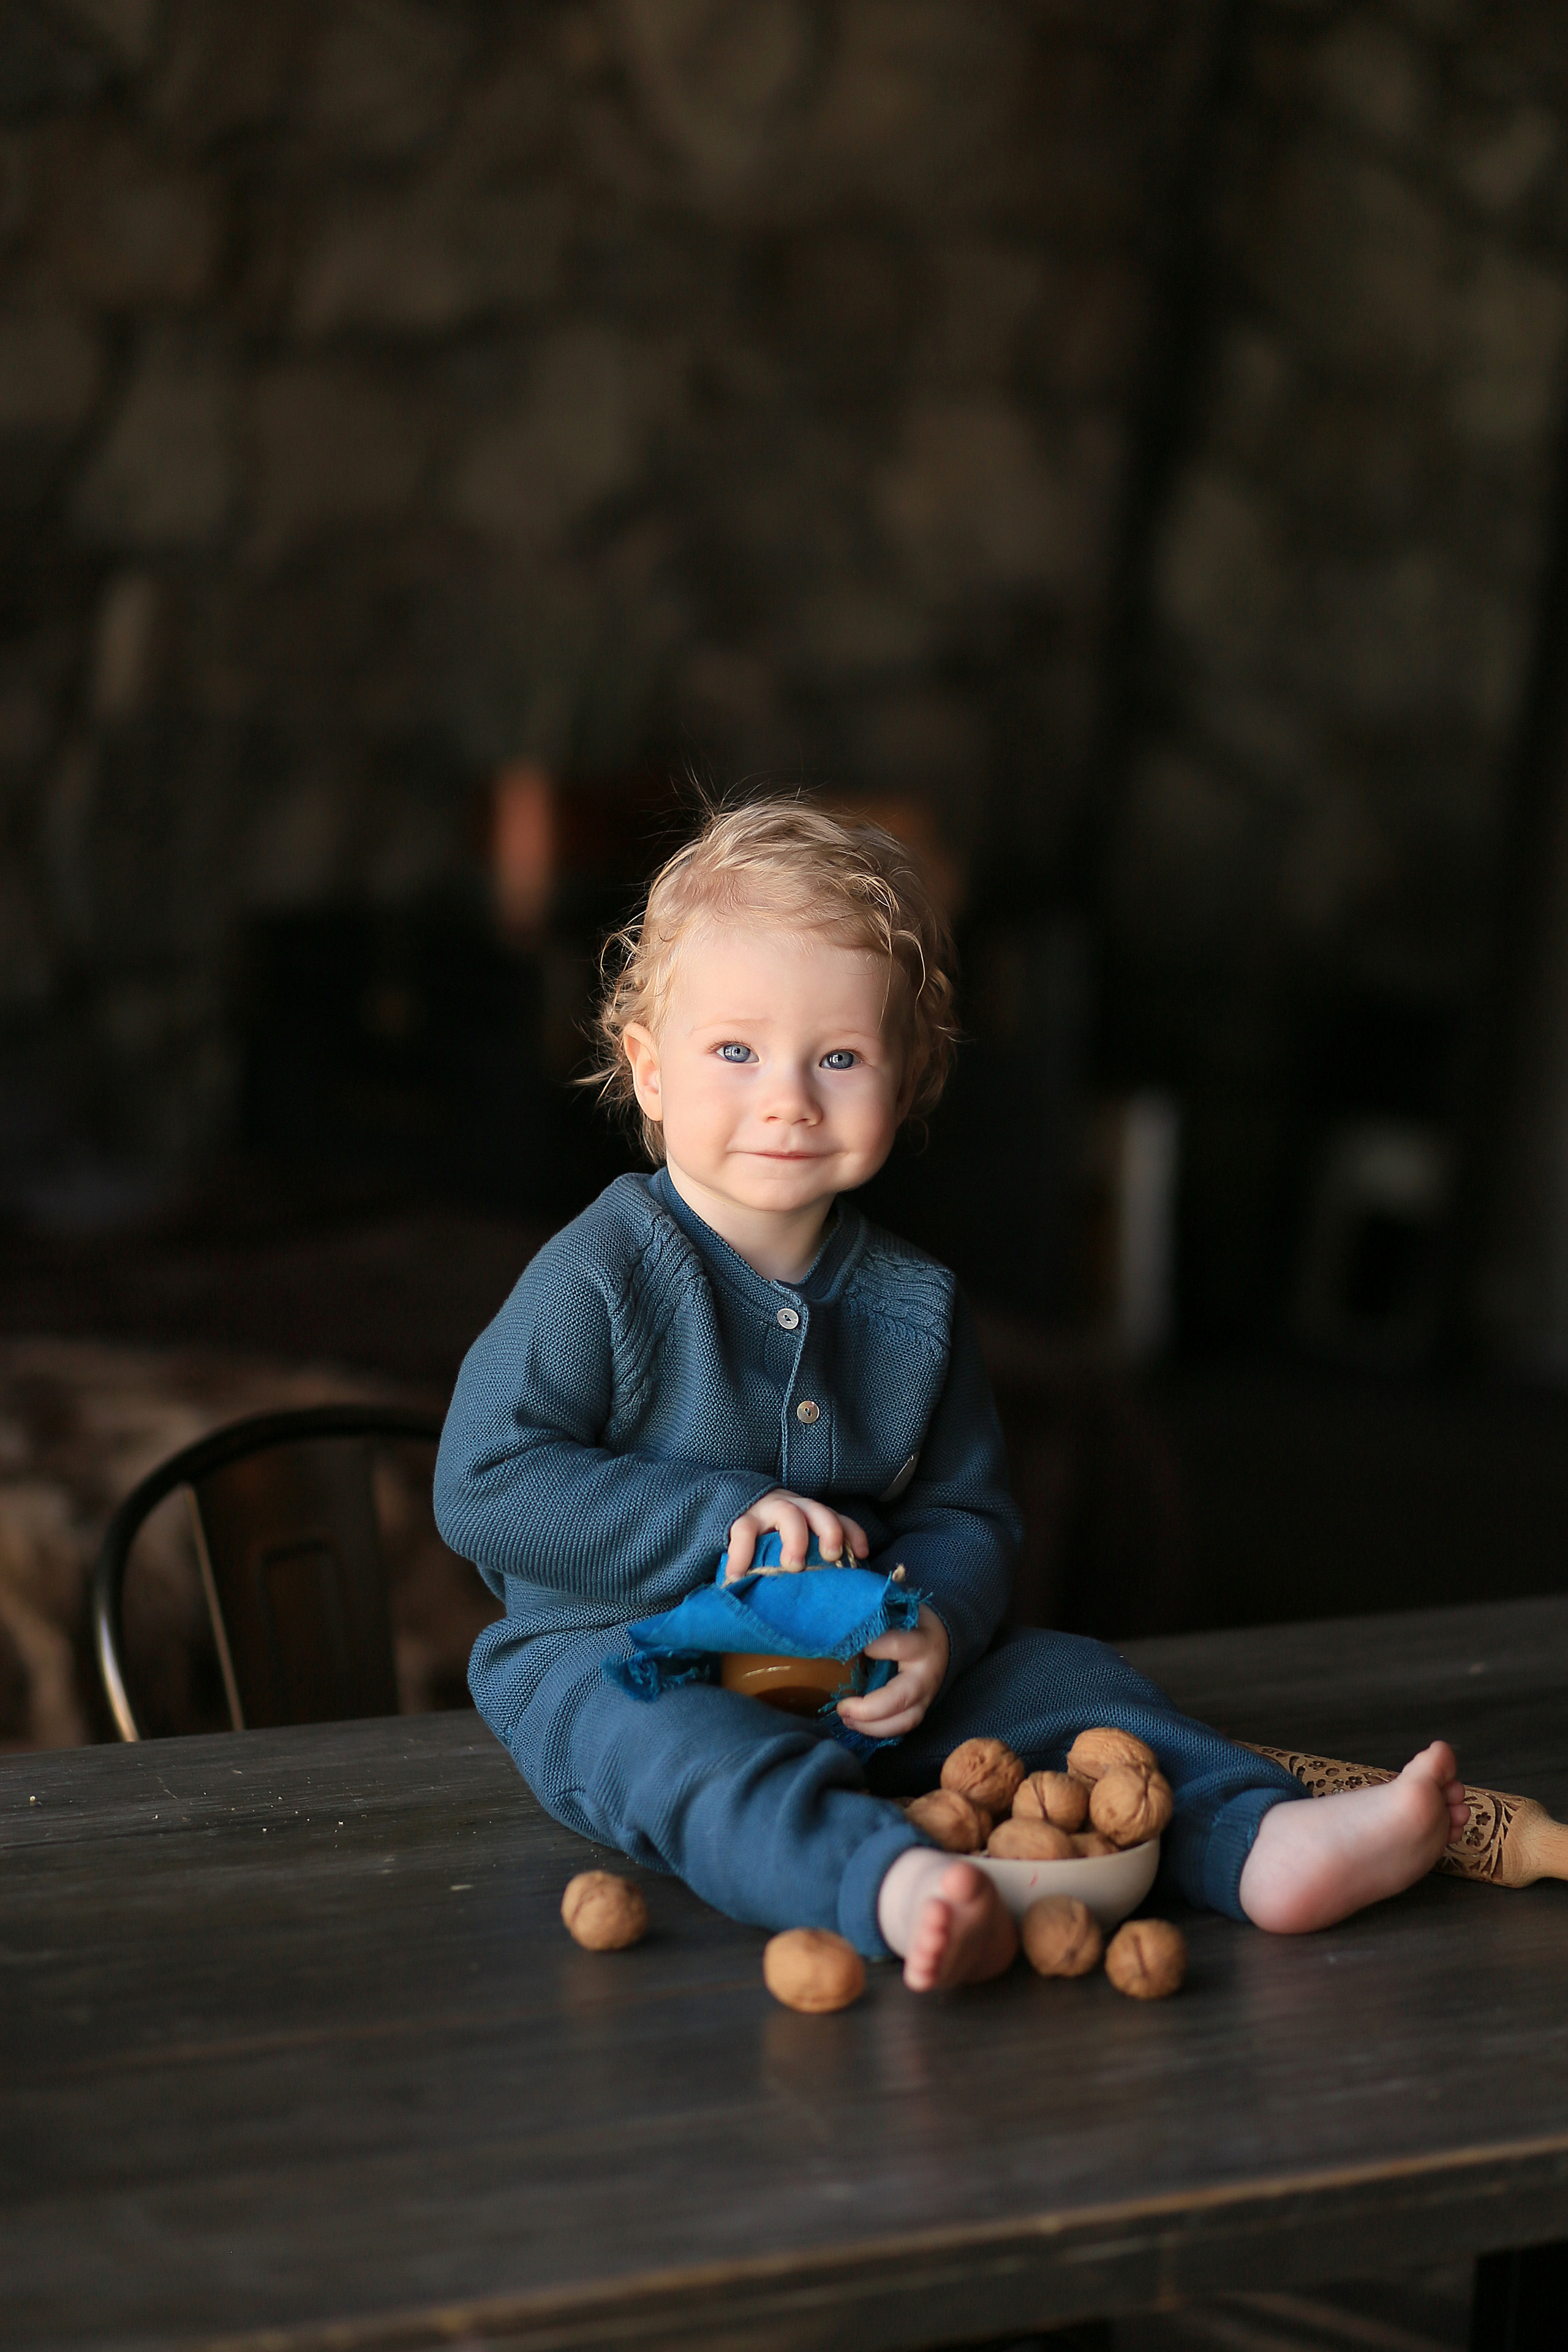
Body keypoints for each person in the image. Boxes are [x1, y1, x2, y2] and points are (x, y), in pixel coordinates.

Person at [434, 797, 1468, 1990]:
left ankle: (1257, 1842)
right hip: (618, 1659)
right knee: (682, 1752)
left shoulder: (914, 1306)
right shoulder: (600, 1274)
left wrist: (930, 1624)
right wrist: (716, 1521)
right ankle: (885, 1882)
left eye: (837, 1058)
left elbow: (967, 1518)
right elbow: (482, 1488)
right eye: (734, 1051)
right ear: (648, 1069)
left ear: (910, 1076)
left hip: (854, 1667)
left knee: (1068, 1680)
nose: (786, 1098)